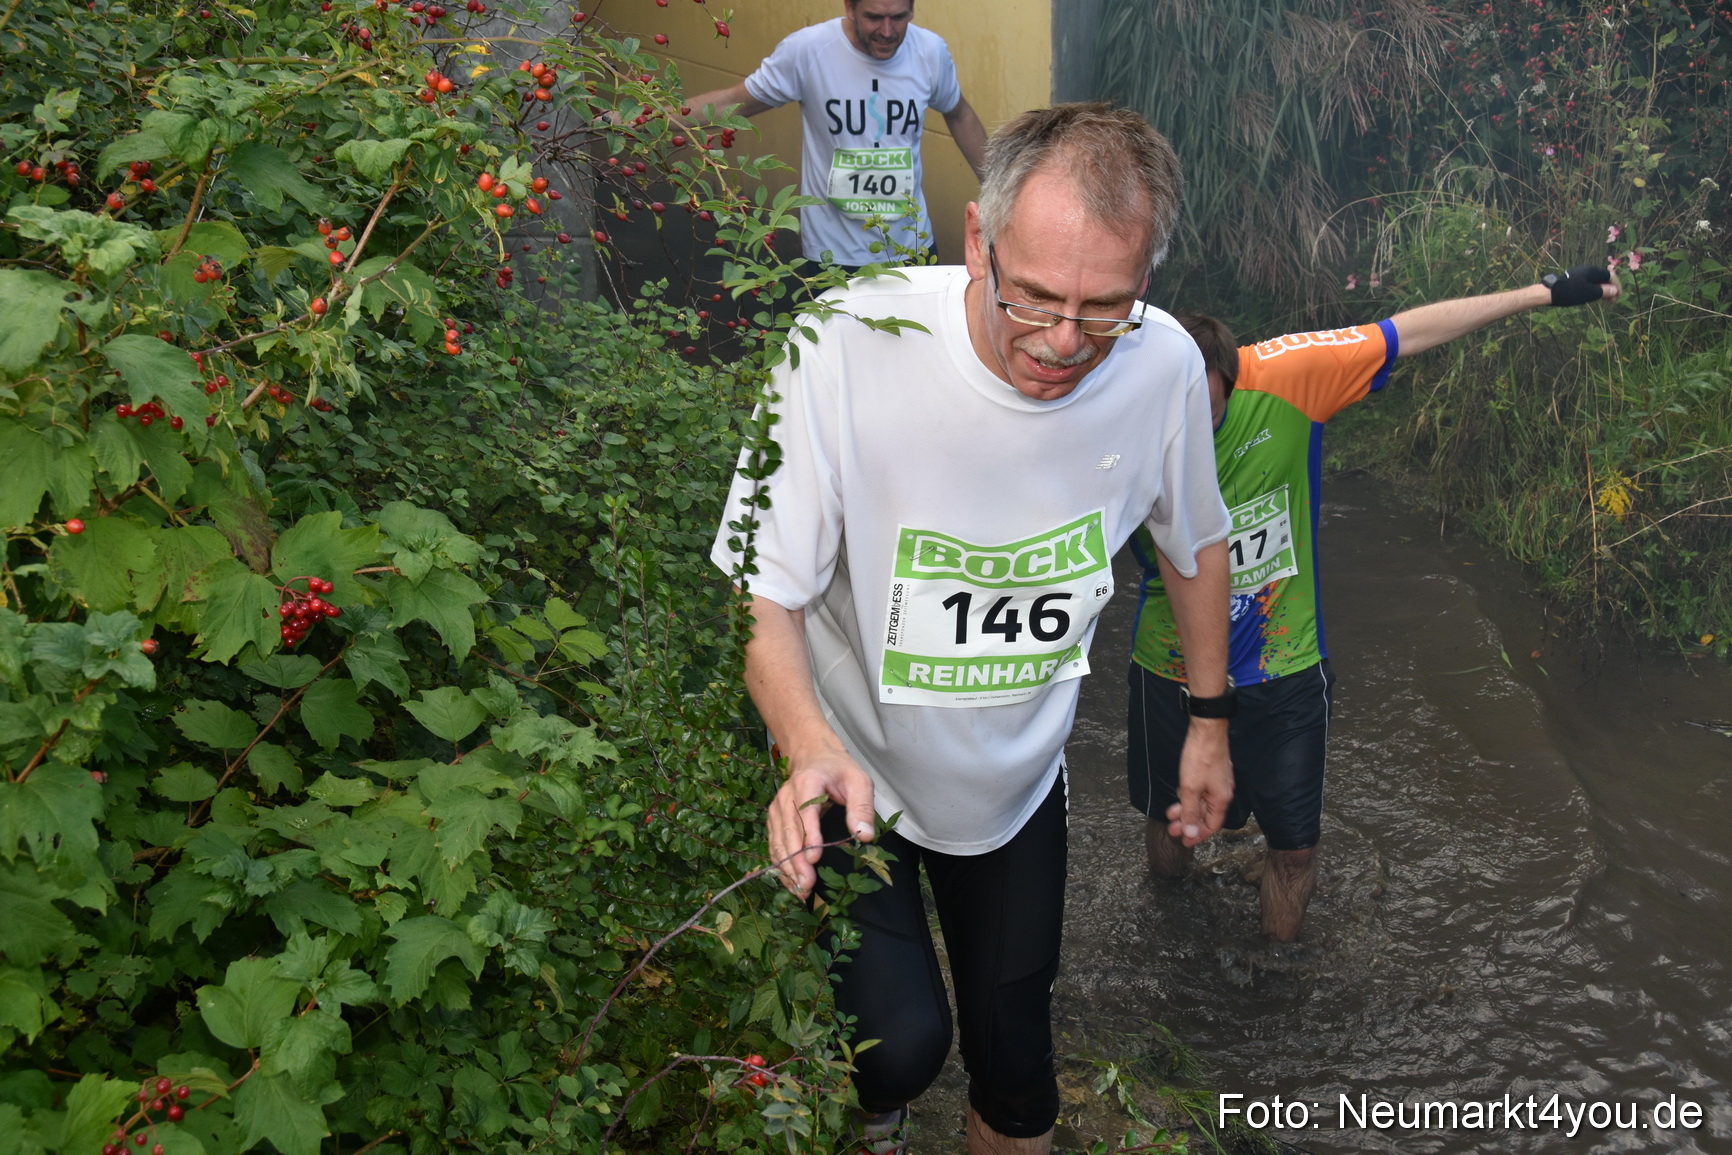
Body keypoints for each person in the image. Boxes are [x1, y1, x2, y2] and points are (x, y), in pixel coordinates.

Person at [710, 104, 1234, 1153]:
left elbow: (1193, 543)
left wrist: (1209, 719)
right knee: (900, 1043)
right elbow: (761, 589)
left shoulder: (1164, 366)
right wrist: (807, 748)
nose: (1060, 344)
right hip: (857, 771)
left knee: (1017, 1066)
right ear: (977, 242)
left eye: (1103, 310)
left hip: (1014, 789)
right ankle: (880, 1116)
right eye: (1034, 298)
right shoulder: (846, 342)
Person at [1127, 266, 1623, 943]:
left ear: (1231, 381)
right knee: (1171, 825)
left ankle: (1277, 980)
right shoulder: (1122, 412)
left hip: (1285, 662)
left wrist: (1545, 292)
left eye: (1205, 414)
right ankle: (1170, 931)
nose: (1189, 432)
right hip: (1169, 661)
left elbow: (1413, 330)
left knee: (1296, 846)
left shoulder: (1290, 376)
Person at [682, 0, 988, 268]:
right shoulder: (807, 50)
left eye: (898, 17)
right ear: (849, 8)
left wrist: (1000, 192)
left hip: (911, 247)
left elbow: (960, 114)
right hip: (831, 256)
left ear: (912, 10)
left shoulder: (930, 52)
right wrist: (648, 117)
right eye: (873, 17)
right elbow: (732, 103)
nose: (887, 31)